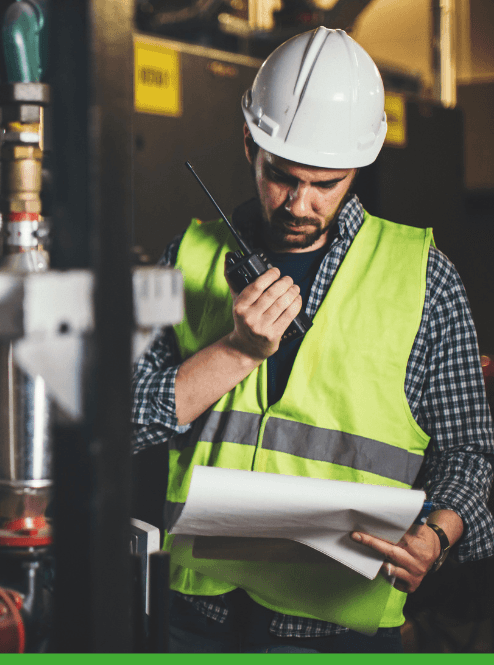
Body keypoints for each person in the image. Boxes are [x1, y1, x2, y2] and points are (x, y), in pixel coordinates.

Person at [131, 26, 494, 652]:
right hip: (195, 618)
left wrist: (434, 537)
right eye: (282, 177)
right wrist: (236, 352)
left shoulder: (423, 277)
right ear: (251, 145)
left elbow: (470, 455)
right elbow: (127, 421)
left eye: (326, 184)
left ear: (357, 167)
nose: (300, 203)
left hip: (338, 628)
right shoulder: (186, 257)